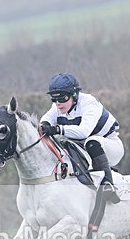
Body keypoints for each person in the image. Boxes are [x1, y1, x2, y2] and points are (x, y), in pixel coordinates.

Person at [38, 72, 122, 203]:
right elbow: (45, 120)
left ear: (74, 95)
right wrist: (45, 126)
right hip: (84, 150)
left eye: (62, 98)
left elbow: (84, 132)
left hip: (109, 147)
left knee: (92, 142)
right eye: (54, 99)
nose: (58, 103)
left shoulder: (89, 103)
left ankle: (108, 184)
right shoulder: (58, 106)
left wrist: (57, 129)